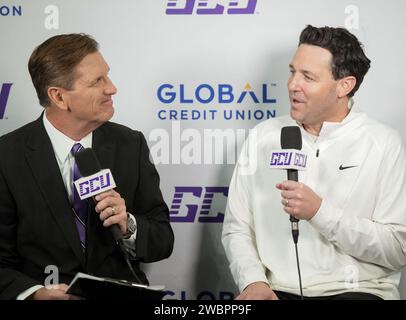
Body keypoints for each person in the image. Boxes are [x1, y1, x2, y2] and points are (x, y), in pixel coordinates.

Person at [222, 25, 406, 300]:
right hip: (276, 292)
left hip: (356, 292)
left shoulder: (383, 143)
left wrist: (320, 213)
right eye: (292, 71)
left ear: (345, 85)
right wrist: (253, 282)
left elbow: (397, 248)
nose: (292, 84)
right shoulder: (263, 136)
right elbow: (237, 228)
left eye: (308, 76)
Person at [0, 34, 174, 300]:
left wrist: (128, 225)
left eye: (108, 76)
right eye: (97, 81)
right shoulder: (7, 156)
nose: (112, 88)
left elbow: (163, 240)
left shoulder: (130, 144)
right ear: (59, 97)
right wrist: (35, 294)